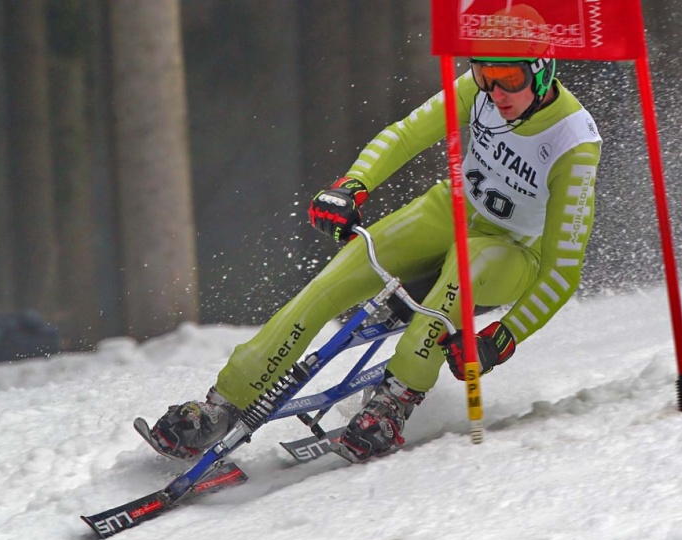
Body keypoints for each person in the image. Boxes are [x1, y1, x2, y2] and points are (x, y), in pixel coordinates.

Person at [149, 56, 602, 463]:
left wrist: (502, 337)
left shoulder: (573, 143)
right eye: (485, 75)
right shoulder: (480, 91)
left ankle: (394, 401)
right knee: (331, 283)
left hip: (513, 251)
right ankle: (223, 405)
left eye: (510, 78)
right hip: (453, 208)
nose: (495, 92)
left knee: (462, 274)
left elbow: (562, 271)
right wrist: (352, 185)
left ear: (543, 73)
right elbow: (407, 135)